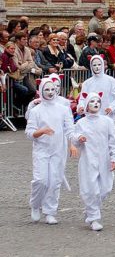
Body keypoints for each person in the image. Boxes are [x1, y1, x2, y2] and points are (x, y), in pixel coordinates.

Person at [25, 78, 77, 224]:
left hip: (58, 151)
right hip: (41, 150)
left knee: (54, 181)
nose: (49, 92)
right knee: (41, 180)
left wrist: (72, 143)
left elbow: (70, 128)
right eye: (46, 89)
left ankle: (50, 211)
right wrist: (40, 132)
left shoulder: (63, 109)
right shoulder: (36, 111)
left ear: (56, 90)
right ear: (41, 91)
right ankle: (35, 205)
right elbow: (29, 133)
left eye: (52, 89)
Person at [73, 91, 115, 231]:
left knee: (105, 188)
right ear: (87, 105)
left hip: (104, 158)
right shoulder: (81, 122)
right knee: (91, 189)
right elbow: (75, 139)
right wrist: (79, 138)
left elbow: (113, 141)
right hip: (88, 159)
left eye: (98, 101)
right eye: (92, 101)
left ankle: (90, 209)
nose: (95, 104)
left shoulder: (107, 121)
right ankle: (94, 218)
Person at [77, 56, 115, 121]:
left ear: (103, 65)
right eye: (94, 65)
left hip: (107, 116)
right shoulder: (87, 83)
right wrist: (81, 106)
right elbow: (82, 98)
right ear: (91, 66)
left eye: (99, 64)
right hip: (91, 117)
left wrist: (111, 108)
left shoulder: (111, 81)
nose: (97, 67)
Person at [1, 40, 36, 109]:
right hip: (8, 80)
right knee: (24, 90)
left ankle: (17, 106)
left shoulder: (10, 56)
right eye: (11, 48)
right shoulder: (4, 56)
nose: (13, 50)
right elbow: (11, 69)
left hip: (14, 79)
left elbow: (15, 67)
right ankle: (15, 106)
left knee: (30, 91)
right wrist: (26, 63)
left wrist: (18, 66)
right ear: (6, 48)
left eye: (14, 49)